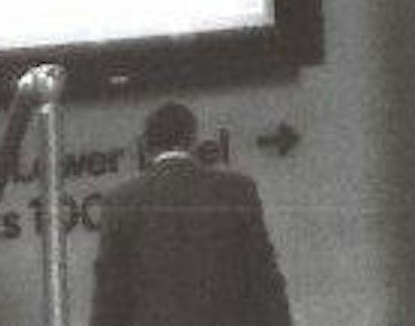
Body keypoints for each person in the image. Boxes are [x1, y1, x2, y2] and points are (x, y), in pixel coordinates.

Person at [92, 100, 291, 326]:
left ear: (146, 146)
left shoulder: (121, 202)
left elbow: (111, 297)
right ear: (192, 140)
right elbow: (264, 279)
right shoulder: (236, 191)